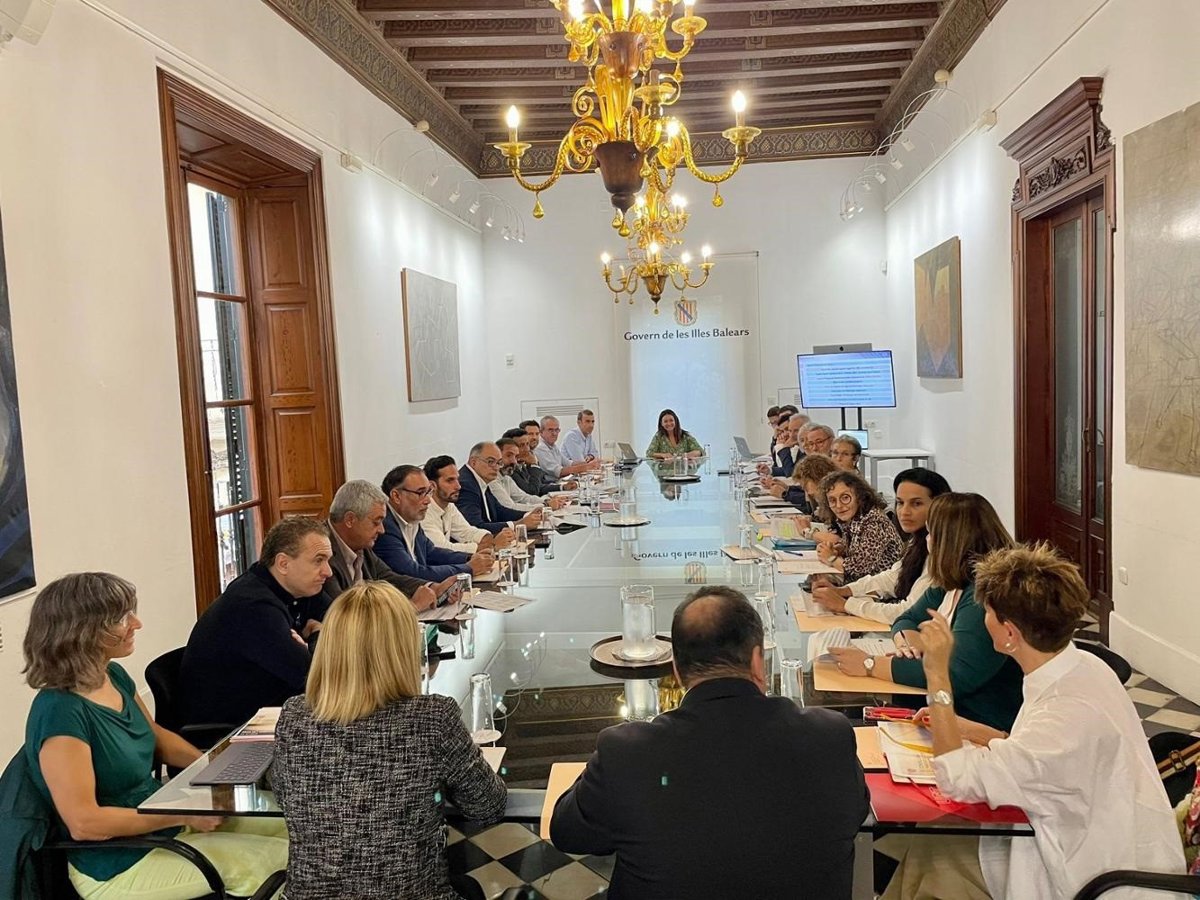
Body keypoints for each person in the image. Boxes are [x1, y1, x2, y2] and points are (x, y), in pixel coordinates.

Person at [886, 544, 1185, 900]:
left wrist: (937, 675)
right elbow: (1035, 752)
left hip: (1087, 873)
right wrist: (965, 728)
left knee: (935, 856)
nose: (983, 619)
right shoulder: (1083, 668)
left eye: (988, 613)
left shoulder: (1064, 715)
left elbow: (957, 779)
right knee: (932, 843)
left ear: (1010, 633)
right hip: (1098, 837)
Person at [550, 586, 868, 898]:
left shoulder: (626, 753)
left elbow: (568, 833)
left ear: (676, 671)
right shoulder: (830, 737)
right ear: (758, 661)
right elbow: (855, 813)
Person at [23, 573, 288, 899]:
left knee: (296, 822)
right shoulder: (59, 712)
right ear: (83, 632)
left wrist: (217, 769)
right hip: (118, 863)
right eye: (122, 618)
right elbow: (85, 822)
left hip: (163, 820)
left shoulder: (112, 675)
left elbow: (156, 737)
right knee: (276, 861)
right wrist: (184, 812)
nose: (136, 624)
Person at [272, 581, 506, 900]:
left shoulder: (294, 716)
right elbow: (488, 807)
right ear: (404, 648)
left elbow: (286, 795)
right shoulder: (432, 718)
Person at [829, 493, 1024, 734]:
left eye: (931, 533)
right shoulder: (952, 580)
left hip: (979, 721)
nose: (927, 540)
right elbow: (906, 619)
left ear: (951, 541)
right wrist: (911, 645)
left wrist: (869, 664)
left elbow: (955, 674)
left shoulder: (982, 596)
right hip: (942, 707)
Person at [180, 517, 333, 730]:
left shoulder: (300, 587)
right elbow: (315, 677)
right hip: (233, 726)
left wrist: (313, 644)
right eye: (318, 560)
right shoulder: (252, 605)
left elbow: (348, 631)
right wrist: (318, 635)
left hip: (275, 707)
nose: (328, 571)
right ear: (283, 564)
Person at [811, 468, 952, 624]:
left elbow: (908, 611)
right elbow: (892, 577)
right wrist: (843, 591)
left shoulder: (941, 552)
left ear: (940, 506)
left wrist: (845, 604)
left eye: (916, 503)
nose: (904, 512)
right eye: (900, 503)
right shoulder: (919, 539)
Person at [318, 479, 447, 616]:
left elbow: (388, 578)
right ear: (350, 520)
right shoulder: (322, 553)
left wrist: (432, 587)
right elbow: (344, 615)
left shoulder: (359, 543)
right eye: (376, 522)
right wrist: (413, 607)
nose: (382, 530)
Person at [375, 464, 494, 581]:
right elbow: (412, 573)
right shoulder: (384, 527)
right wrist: (468, 568)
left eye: (429, 492)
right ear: (396, 496)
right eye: (420, 493)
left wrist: (468, 558)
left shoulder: (410, 517)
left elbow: (431, 553)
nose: (428, 500)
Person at [815, 469, 904, 581]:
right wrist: (838, 549)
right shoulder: (853, 518)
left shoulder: (874, 522)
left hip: (882, 589)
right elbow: (856, 549)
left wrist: (831, 558)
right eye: (832, 500)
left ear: (860, 496)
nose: (839, 505)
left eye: (845, 498)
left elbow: (859, 570)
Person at [422, 455, 512, 554]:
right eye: (450, 480)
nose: (458, 486)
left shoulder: (448, 505)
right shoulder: (424, 511)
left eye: (457, 479)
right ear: (432, 486)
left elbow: (467, 532)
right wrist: (492, 545)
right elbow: (442, 548)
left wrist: (490, 539)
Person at [457, 441, 543, 535]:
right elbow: (476, 527)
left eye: (499, 463)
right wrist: (518, 524)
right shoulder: (466, 485)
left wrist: (529, 515)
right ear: (473, 462)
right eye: (490, 462)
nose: (496, 467)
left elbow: (499, 511)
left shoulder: (481, 479)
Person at [491, 437, 568, 511]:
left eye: (516, 456)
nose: (514, 461)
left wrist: (547, 501)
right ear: (497, 456)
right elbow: (510, 507)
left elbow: (524, 497)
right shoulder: (492, 479)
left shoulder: (506, 477)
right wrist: (546, 505)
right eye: (509, 455)